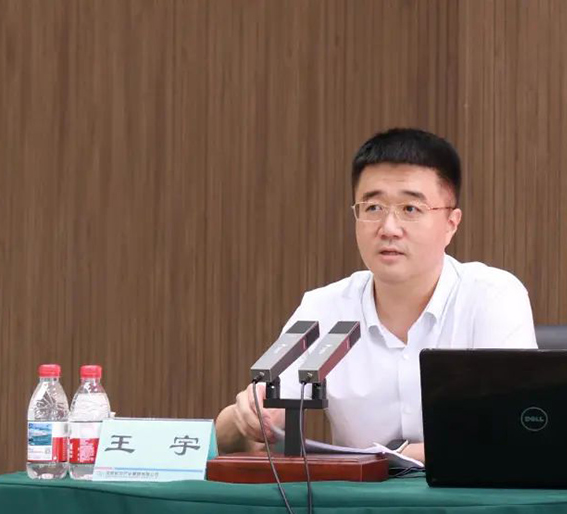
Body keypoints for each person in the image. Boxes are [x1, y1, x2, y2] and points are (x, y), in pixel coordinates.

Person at [215, 128, 536, 462]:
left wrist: (390, 458)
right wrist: (246, 419)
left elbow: (516, 430)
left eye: (410, 208)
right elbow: (233, 438)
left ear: (451, 224)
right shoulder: (325, 308)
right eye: (373, 208)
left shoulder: (492, 298)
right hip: (357, 494)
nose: (389, 228)